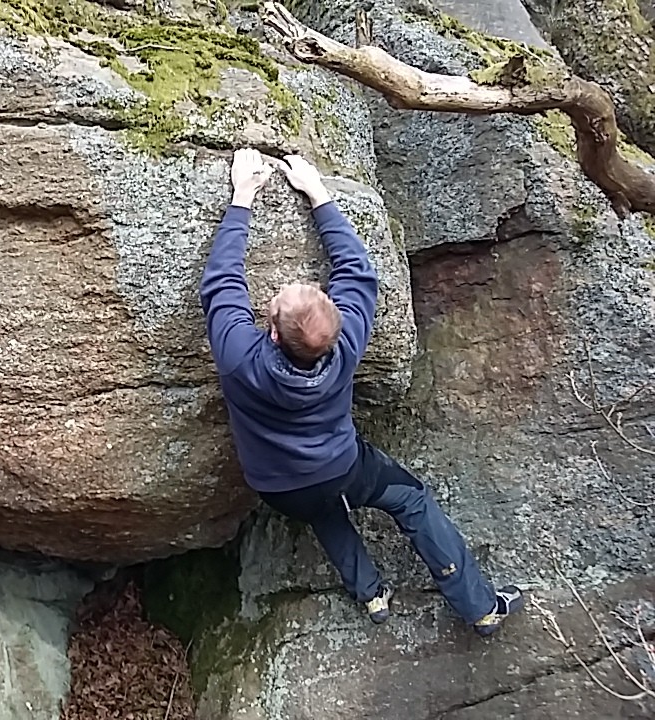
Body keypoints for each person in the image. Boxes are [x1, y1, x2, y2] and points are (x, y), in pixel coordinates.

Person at [198, 148, 524, 636]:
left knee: (322, 511)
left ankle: (371, 594)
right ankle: (480, 607)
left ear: (272, 332)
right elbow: (356, 268)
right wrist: (318, 193)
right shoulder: (346, 342)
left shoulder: (239, 357)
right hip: (340, 468)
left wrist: (242, 196)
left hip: (277, 486)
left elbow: (222, 282)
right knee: (411, 500)